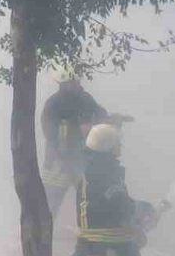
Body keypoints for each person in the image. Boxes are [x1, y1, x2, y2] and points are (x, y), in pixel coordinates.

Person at [69, 124, 163, 256]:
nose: (120, 146)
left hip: (90, 250)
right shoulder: (104, 173)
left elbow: (110, 207)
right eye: (117, 143)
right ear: (108, 147)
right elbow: (121, 206)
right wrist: (144, 209)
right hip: (108, 254)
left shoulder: (93, 169)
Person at [40, 73, 125, 215]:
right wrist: (78, 129)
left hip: (80, 159)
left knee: (85, 197)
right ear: (62, 84)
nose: (77, 84)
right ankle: (41, 232)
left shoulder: (85, 98)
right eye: (73, 82)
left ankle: (87, 227)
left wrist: (110, 119)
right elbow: (49, 133)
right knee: (51, 201)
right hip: (58, 162)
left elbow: (100, 114)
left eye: (77, 81)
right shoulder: (53, 104)